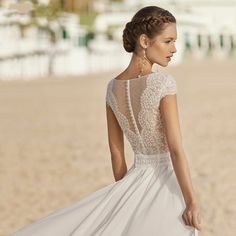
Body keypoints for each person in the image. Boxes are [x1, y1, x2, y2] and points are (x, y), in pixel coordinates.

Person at [10, 5, 202, 236]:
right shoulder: (164, 83)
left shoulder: (112, 88)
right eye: (168, 41)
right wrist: (191, 201)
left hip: (132, 179)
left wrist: (125, 198)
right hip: (165, 182)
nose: (174, 48)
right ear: (144, 41)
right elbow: (175, 149)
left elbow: (116, 154)